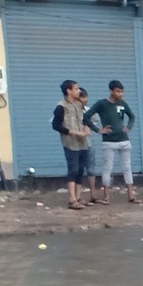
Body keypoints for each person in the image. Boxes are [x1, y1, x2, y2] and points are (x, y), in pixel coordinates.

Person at [83, 79, 138, 206]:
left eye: (122, 92)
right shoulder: (102, 104)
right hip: (109, 141)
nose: (121, 94)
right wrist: (98, 130)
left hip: (124, 140)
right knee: (108, 167)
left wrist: (129, 127)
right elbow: (86, 116)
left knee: (127, 167)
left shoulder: (123, 103)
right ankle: (106, 196)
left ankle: (131, 195)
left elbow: (132, 116)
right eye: (118, 91)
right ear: (111, 91)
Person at [52, 79, 91, 211]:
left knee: (80, 170)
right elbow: (56, 125)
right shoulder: (61, 107)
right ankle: (72, 199)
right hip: (70, 143)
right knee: (73, 170)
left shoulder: (79, 105)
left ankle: (78, 197)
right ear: (68, 91)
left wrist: (86, 128)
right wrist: (73, 132)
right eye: (76, 89)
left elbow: (85, 119)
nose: (79, 91)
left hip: (83, 142)